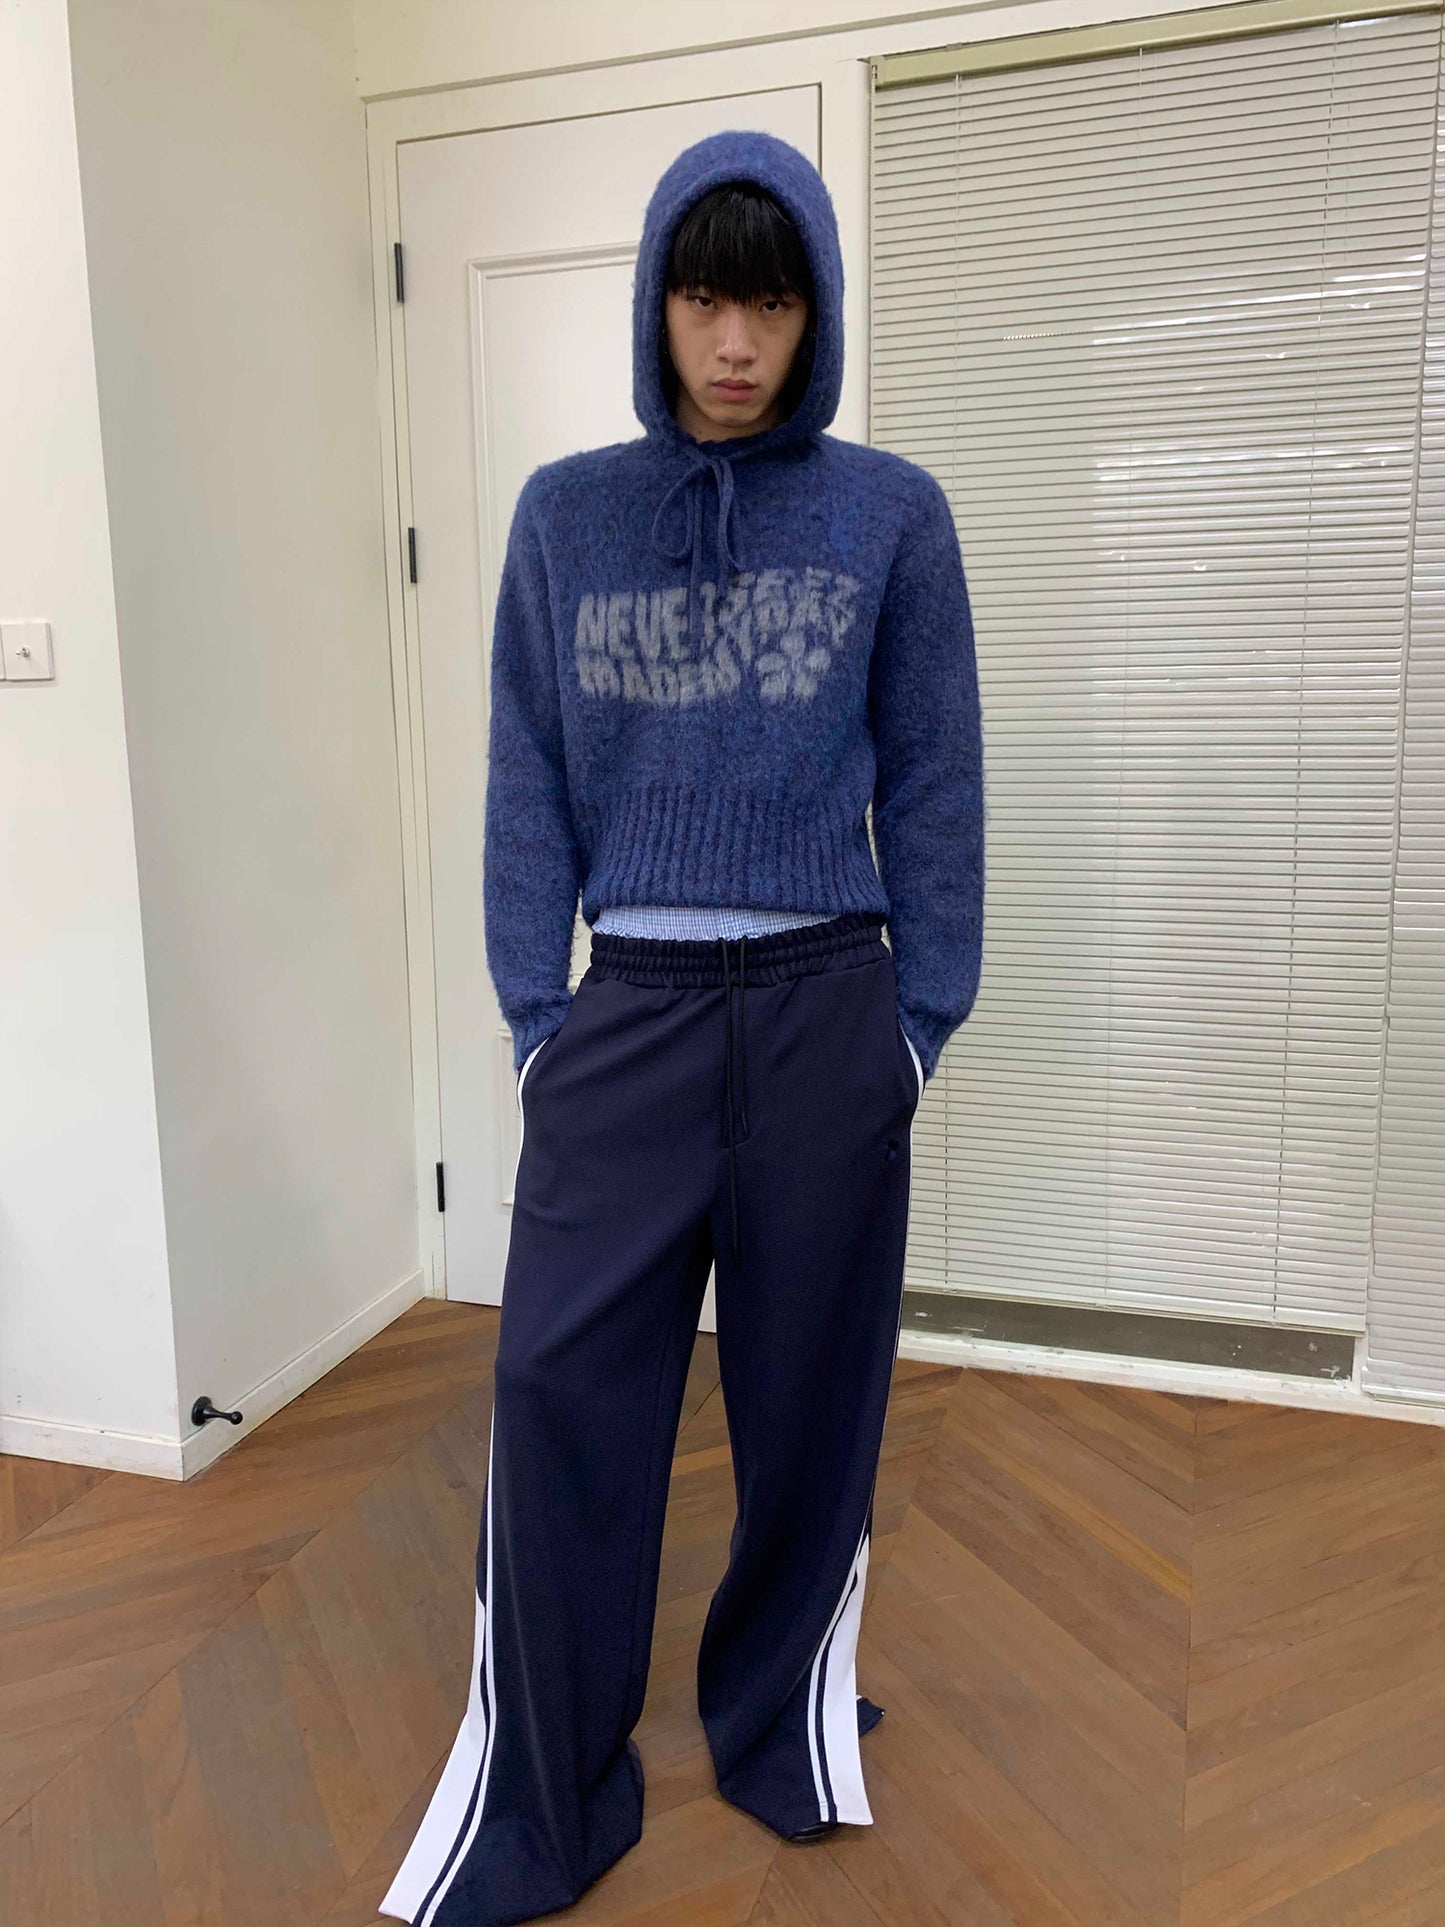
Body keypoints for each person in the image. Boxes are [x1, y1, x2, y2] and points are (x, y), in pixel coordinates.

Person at [379, 127, 985, 1927]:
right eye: (705, 297)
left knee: (810, 1397)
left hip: (824, 1008)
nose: (735, 342)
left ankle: (774, 1717)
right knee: (559, 1390)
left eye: (771, 303)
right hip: (627, 1016)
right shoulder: (565, 516)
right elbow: (525, 782)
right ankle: (549, 1775)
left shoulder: (890, 514)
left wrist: (915, 1024)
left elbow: (936, 780)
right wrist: (536, 1024)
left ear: (817, 315)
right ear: (655, 300)